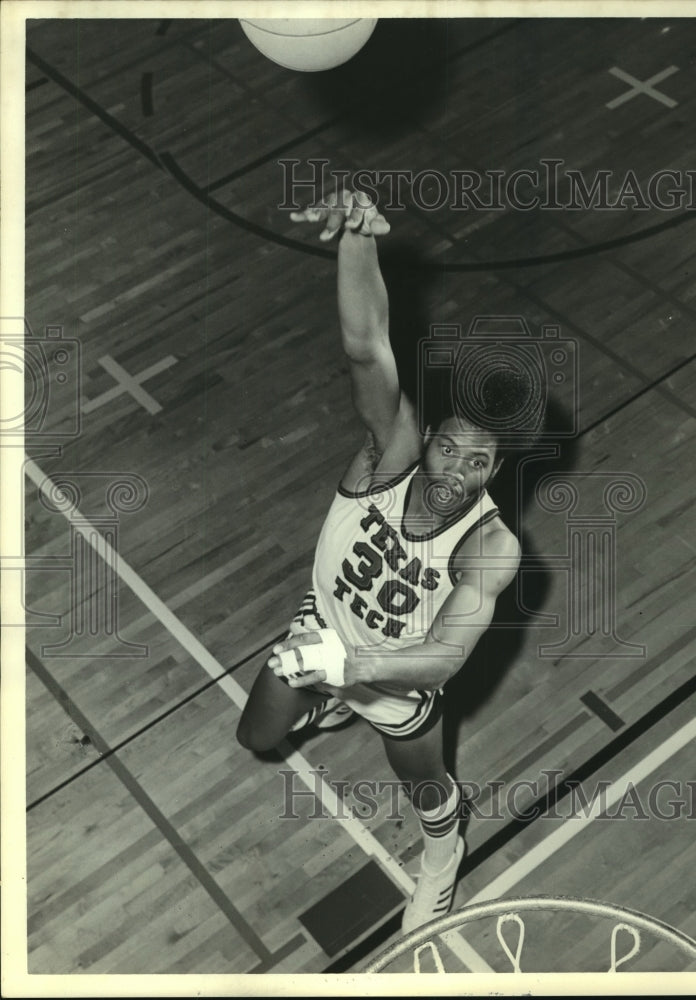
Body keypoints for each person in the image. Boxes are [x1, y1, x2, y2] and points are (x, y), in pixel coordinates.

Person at [237, 190, 522, 933]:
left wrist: (354, 670)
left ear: (497, 470)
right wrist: (356, 241)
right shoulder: (386, 457)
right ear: (427, 440)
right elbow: (367, 348)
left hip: (394, 678)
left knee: (424, 786)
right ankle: (324, 704)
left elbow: (443, 658)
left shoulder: (491, 547)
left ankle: (443, 854)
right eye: (449, 446)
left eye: (479, 459)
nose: (456, 467)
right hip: (325, 630)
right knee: (258, 738)